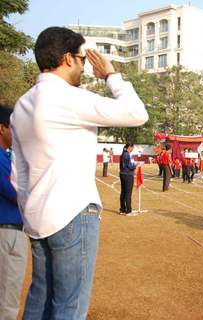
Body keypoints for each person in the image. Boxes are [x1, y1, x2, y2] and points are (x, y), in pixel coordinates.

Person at [11, 27, 148, 319]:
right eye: (83, 59)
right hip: (72, 212)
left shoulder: (22, 105)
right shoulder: (66, 98)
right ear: (67, 59)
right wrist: (112, 76)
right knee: (69, 306)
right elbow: (137, 113)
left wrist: (30, 211)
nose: (86, 66)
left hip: (36, 217)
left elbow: (17, 174)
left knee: (40, 299)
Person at [0, 106, 27, 320]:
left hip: (10, 230)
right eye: (12, 128)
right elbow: (15, 192)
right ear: (2, 128)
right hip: (6, 232)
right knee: (7, 302)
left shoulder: (5, 157)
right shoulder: (1, 159)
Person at [120, 144, 137, 214]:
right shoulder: (127, 155)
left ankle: (123, 208)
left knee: (123, 192)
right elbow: (130, 166)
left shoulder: (123, 154)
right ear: (130, 147)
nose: (133, 149)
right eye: (132, 148)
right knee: (128, 193)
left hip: (123, 174)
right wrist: (135, 165)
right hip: (128, 175)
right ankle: (128, 210)